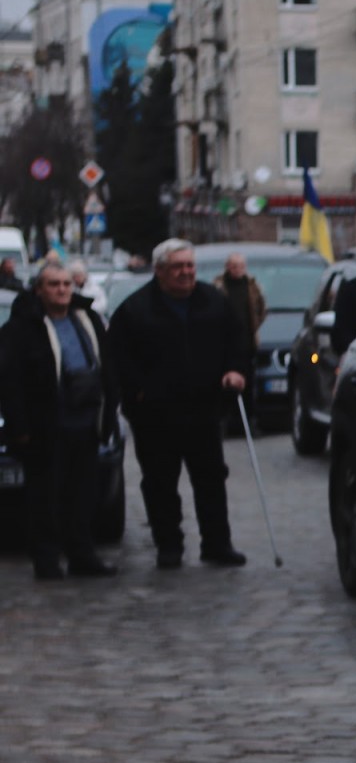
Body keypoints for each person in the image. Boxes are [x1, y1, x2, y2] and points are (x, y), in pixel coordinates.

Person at [108, 238, 253, 569]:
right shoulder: (135, 309)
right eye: (178, 267)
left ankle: (217, 543)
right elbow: (118, 360)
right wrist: (137, 394)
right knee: (160, 483)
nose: (186, 273)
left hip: (204, 410)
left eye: (190, 266)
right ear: (160, 271)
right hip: (155, 416)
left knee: (211, 480)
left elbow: (237, 341)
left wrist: (236, 370)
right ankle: (168, 545)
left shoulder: (213, 301)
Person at [0, 260, 118, 579]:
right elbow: (9, 381)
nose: (62, 290)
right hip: (45, 427)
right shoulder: (23, 328)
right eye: (54, 284)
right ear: (39, 290)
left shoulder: (87, 318)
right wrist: (20, 428)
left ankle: (81, 553)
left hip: (86, 422)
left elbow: (108, 366)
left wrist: (108, 417)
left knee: (83, 495)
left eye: (67, 284)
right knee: (45, 498)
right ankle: (47, 559)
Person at [214, 251, 268, 348]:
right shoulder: (218, 286)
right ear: (227, 267)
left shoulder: (253, 286)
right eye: (234, 266)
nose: (238, 269)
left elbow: (262, 308)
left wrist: (254, 324)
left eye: (242, 266)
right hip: (224, 339)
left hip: (248, 340)